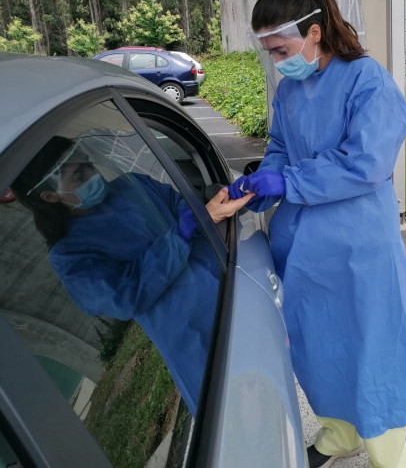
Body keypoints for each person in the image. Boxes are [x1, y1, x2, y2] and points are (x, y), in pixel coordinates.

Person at [228, 0, 406, 468]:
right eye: (270, 53)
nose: (277, 62)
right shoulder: (289, 90)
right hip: (303, 248)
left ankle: (390, 456)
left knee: (373, 355)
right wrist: (263, 182)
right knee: (321, 351)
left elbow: (367, 163)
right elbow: (280, 148)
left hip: (358, 247)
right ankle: (341, 435)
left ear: (314, 33)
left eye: (281, 50)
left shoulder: (366, 80)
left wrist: (290, 184)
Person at [11, 135, 252, 416]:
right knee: (235, 414)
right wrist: (180, 234)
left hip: (233, 294)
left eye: (87, 164)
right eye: (78, 175)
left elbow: (192, 214)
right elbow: (125, 297)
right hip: (194, 336)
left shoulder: (133, 185)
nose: (92, 174)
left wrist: (223, 200)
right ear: (50, 196)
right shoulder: (69, 254)